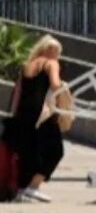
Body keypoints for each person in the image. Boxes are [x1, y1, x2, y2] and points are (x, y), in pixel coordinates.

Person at [3, 35, 65, 202]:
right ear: (49, 50)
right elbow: (55, 84)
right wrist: (64, 87)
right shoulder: (51, 63)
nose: (57, 55)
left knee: (29, 151)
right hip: (42, 112)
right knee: (55, 149)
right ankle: (33, 188)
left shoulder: (26, 66)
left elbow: (17, 93)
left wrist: (14, 116)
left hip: (24, 112)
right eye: (57, 51)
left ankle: (23, 190)